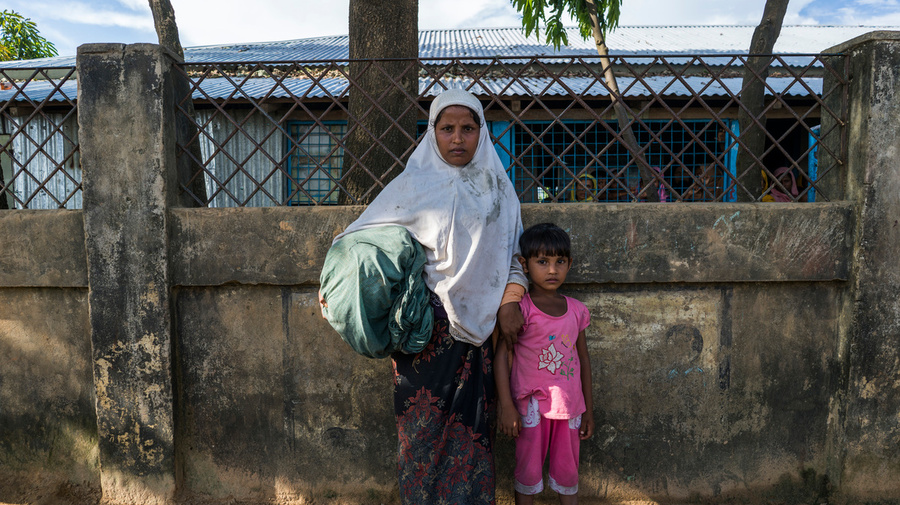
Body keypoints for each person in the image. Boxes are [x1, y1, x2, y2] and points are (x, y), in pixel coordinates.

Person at [319, 88, 528, 504]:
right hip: (423, 338)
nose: (457, 138)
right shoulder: (411, 186)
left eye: (468, 129)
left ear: (481, 133)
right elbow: (358, 240)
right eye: (447, 128)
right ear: (432, 133)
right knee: (421, 438)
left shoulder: (501, 192)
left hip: (479, 338)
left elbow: (514, 258)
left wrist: (509, 300)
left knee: (473, 441)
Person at [495, 223, 594, 505]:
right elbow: (502, 356)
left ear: (569, 264)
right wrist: (506, 405)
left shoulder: (577, 310)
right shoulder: (520, 309)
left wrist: (588, 409)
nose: (552, 270)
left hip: (570, 407)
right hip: (531, 409)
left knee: (568, 473)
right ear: (524, 265)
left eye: (559, 262)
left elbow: (583, 359)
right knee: (527, 473)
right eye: (543, 262)